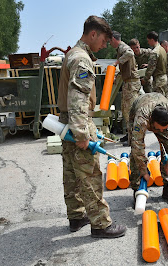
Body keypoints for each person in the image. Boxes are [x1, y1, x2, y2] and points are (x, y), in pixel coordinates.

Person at [57, 15, 126, 238]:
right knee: (90, 174)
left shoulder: (72, 54)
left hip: (66, 120)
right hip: (77, 121)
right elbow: (78, 98)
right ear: (93, 34)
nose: (105, 45)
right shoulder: (82, 59)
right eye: (104, 40)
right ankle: (101, 224)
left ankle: (76, 216)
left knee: (71, 173)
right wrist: (82, 134)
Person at [128, 93, 168, 205]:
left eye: (165, 128)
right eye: (159, 129)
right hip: (138, 109)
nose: (162, 131)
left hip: (159, 104)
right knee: (135, 154)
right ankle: (137, 188)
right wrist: (143, 171)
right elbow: (137, 146)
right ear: (152, 122)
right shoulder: (141, 118)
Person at [109, 31, 141, 144]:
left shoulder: (123, 47)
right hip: (128, 82)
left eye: (109, 40)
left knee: (130, 111)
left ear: (113, 39)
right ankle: (129, 134)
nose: (109, 43)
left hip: (132, 83)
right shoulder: (119, 49)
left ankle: (133, 138)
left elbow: (130, 53)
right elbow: (125, 67)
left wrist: (117, 62)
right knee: (125, 110)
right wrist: (117, 75)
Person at [141, 32, 168, 99]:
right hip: (164, 77)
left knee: (159, 101)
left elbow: (151, 68)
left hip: (158, 80)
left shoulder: (154, 52)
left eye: (148, 41)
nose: (148, 43)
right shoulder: (162, 49)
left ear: (152, 40)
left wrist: (145, 79)